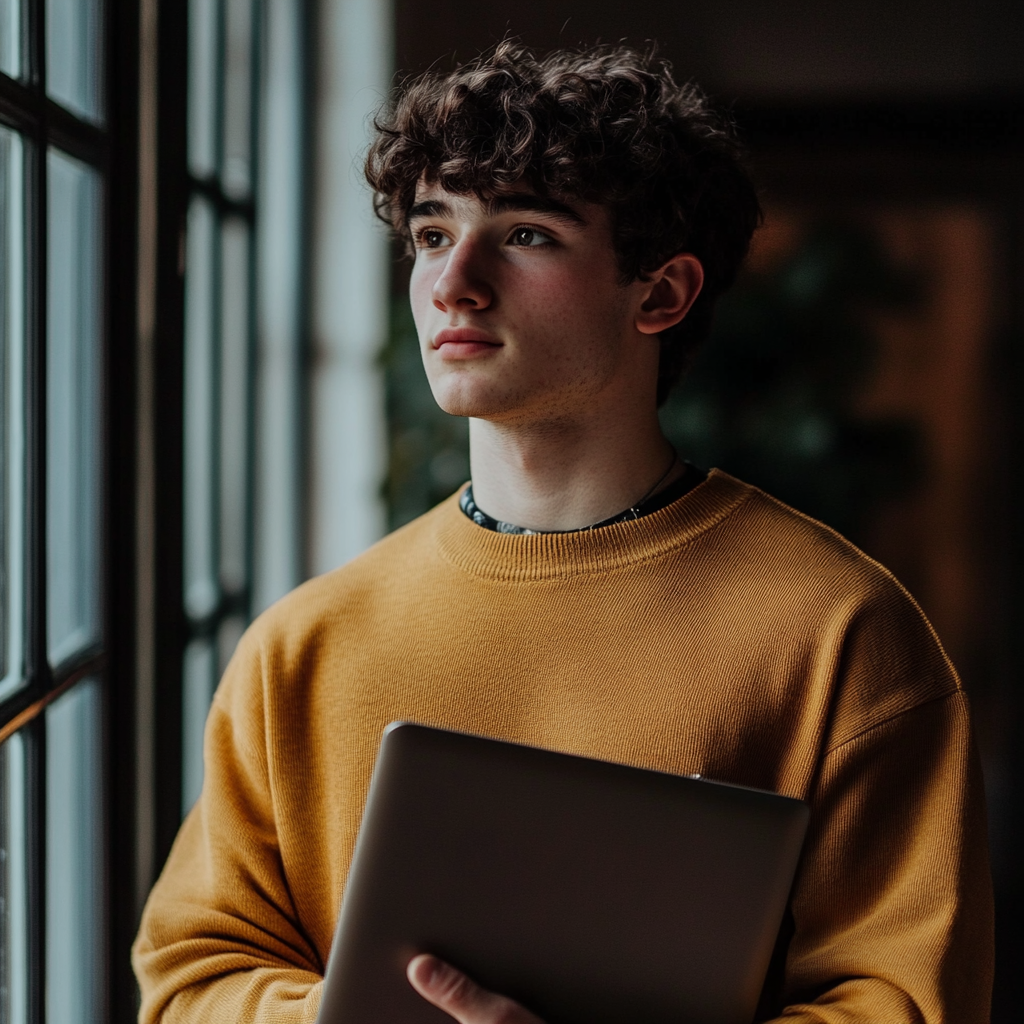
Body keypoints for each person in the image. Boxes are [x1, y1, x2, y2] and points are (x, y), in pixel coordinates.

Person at [132, 41, 994, 1023]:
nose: (453, 282)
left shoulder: (843, 633)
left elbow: (904, 1003)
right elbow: (191, 978)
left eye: (527, 234)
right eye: (429, 234)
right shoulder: (302, 647)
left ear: (660, 294)